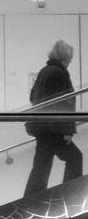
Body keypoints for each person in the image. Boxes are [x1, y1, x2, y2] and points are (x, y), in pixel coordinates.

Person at [23, 39, 82, 196]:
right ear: (65, 57)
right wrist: (68, 130)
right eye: (69, 58)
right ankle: (70, 195)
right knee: (75, 158)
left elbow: (33, 97)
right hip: (54, 128)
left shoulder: (45, 71)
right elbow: (66, 104)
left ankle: (30, 199)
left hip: (42, 126)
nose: (70, 61)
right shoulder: (59, 73)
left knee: (42, 165)